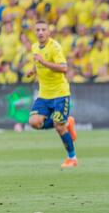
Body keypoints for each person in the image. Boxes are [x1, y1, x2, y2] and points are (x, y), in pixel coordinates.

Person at [26, 20, 78, 168]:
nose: (40, 32)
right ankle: (67, 122)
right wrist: (33, 70)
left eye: (43, 29)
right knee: (34, 122)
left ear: (48, 32)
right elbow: (38, 63)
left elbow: (63, 68)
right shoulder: (35, 47)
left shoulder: (54, 47)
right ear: (34, 32)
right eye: (38, 30)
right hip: (44, 94)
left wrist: (43, 63)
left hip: (60, 93)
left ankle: (72, 158)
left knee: (59, 127)